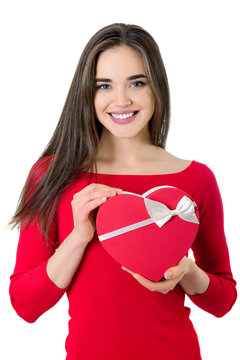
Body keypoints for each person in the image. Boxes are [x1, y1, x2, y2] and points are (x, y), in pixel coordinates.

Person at [9, 23, 237, 360]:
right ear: (87, 93)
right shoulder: (50, 175)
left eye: (137, 83)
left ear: (157, 87)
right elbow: (25, 305)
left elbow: (223, 301)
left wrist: (186, 272)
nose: (122, 100)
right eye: (105, 85)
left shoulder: (196, 179)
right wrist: (78, 238)